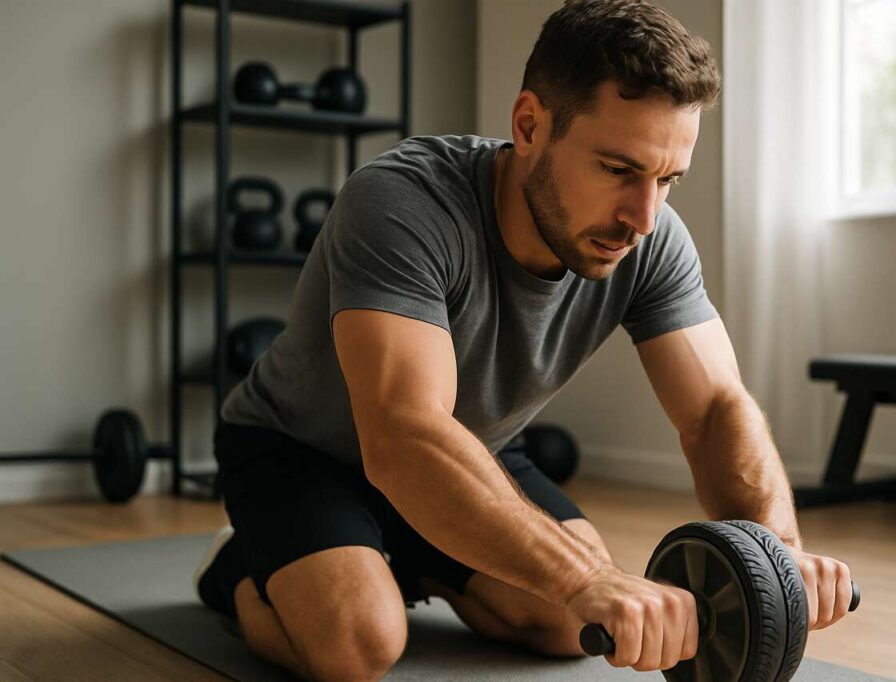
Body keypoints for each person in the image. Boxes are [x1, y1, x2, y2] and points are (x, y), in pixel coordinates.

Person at [194, 1, 854, 680]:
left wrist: (774, 549)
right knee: (358, 647)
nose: (643, 218)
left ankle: (416, 558)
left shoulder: (650, 242)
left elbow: (716, 408)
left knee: (576, 628)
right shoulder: (401, 202)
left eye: (667, 179)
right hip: (301, 454)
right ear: (530, 124)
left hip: (465, 453)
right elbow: (402, 433)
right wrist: (581, 575)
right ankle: (241, 565)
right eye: (618, 168)